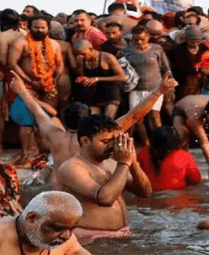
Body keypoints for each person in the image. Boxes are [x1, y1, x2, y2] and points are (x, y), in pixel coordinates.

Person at [9, 71, 178, 184]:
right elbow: (133, 116)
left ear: (64, 119)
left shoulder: (54, 135)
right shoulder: (98, 137)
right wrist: (158, 91)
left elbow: (38, 112)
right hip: (90, 188)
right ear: (89, 116)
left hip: (61, 189)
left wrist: (22, 91)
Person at [0, 191, 139, 255]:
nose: (66, 236)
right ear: (32, 218)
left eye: (72, 229)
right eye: (57, 228)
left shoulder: (65, 240)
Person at [55, 115, 152, 243]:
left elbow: (145, 192)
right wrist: (124, 164)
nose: (112, 146)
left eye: (114, 141)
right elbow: (105, 199)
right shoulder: (71, 168)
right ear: (85, 141)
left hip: (120, 235)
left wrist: (133, 162)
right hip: (90, 240)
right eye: (106, 142)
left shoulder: (112, 163)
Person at [7, 15, 64, 167]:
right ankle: (27, 155)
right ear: (30, 27)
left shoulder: (54, 44)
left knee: (48, 118)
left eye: (42, 27)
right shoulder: (21, 43)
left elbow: (59, 64)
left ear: (48, 28)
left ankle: (43, 155)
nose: (39, 30)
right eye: (36, 27)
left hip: (48, 87)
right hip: (28, 87)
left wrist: (54, 81)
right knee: (25, 120)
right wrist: (29, 81)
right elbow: (13, 64)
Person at [122, 25, 171, 144]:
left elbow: (165, 68)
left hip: (155, 87)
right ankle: (146, 143)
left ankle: (161, 142)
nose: (139, 42)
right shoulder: (126, 50)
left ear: (148, 37)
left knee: (154, 116)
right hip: (136, 89)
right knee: (137, 118)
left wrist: (170, 87)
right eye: (135, 40)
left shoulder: (156, 49)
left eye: (142, 39)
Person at [172, 94, 209, 181]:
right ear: (206, 114)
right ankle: (181, 163)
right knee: (182, 135)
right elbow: (204, 142)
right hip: (181, 109)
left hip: (202, 104)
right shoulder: (195, 114)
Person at [137, 126, 201, 191]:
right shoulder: (183, 156)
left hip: (148, 194)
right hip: (176, 196)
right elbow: (195, 179)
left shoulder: (142, 153)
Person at [73, 39, 125, 118]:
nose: (81, 56)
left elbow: (121, 77)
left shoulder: (107, 57)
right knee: (93, 119)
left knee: (108, 118)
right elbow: (83, 75)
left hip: (111, 90)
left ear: (91, 49)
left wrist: (97, 79)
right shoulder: (80, 60)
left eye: (83, 54)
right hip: (95, 92)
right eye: (79, 54)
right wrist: (82, 79)